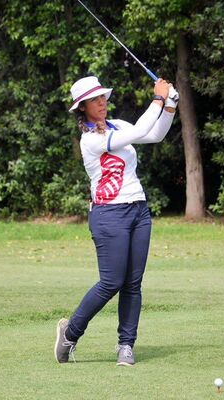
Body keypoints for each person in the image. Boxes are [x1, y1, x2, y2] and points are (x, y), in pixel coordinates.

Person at [54, 76, 177, 366]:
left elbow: (153, 134)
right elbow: (142, 128)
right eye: (95, 100)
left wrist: (170, 105)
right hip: (109, 214)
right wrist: (158, 98)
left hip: (138, 210)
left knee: (133, 283)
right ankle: (70, 333)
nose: (102, 102)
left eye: (103, 97)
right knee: (111, 282)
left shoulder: (118, 125)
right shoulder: (91, 139)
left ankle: (126, 345)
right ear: (82, 107)